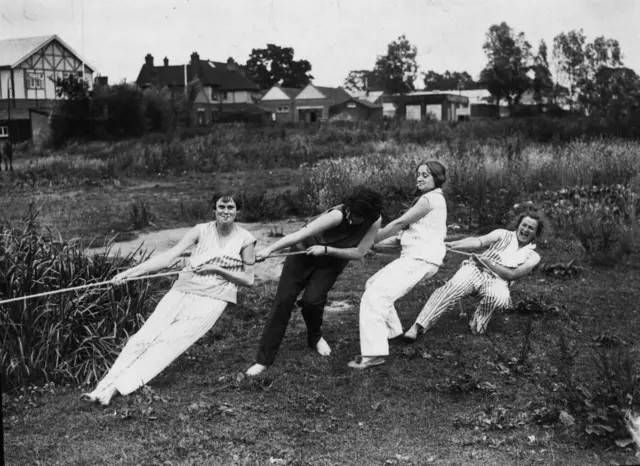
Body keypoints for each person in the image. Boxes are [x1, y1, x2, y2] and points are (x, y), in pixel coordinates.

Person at [81, 192, 256, 406]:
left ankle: (116, 389)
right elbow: (168, 257)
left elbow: (248, 279)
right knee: (142, 337)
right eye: (221, 207)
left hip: (213, 298)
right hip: (183, 289)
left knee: (168, 344)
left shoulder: (245, 239)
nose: (226, 212)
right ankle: (101, 387)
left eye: (231, 208)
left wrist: (217, 269)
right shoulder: (200, 230)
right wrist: (131, 273)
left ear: (238, 211)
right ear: (214, 209)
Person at [246, 186, 383, 376]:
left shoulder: (374, 221)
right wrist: (269, 250)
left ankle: (315, 337)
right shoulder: (336, 216)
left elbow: (359, 252)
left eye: (360, 217)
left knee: (312, 302)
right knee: (283, 302)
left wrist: (326, 250)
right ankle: (263, 360)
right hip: (303, 256)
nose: (353, 220)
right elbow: (298, 235)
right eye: (352, 214)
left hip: (331, 261)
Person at [349, 161, 448, 370]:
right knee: (372, 283)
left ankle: (373, 354)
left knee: (374, 297)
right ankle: (393, 332)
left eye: (426, 175)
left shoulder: (430, 199)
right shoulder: (427, 201)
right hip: (418, 258)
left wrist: (367, 240)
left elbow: (397, 225)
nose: (420, 178)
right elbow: (401, 239)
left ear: (437, 178)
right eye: (418, 174)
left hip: (420, 260)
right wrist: (374, 246)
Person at [403, 211, 545, 339]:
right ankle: (418, 326)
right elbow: (478, 241)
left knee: (500, 298)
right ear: (518, 225)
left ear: (536, 233)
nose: (525, 230)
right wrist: (452, 245)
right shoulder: (503, 234)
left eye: (530, 228)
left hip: (499, 281)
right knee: (452, 288)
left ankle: (478, 322)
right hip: (476, 269)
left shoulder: (533, 256)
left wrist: (490, 263)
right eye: (524, 225)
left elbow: (512, 275)